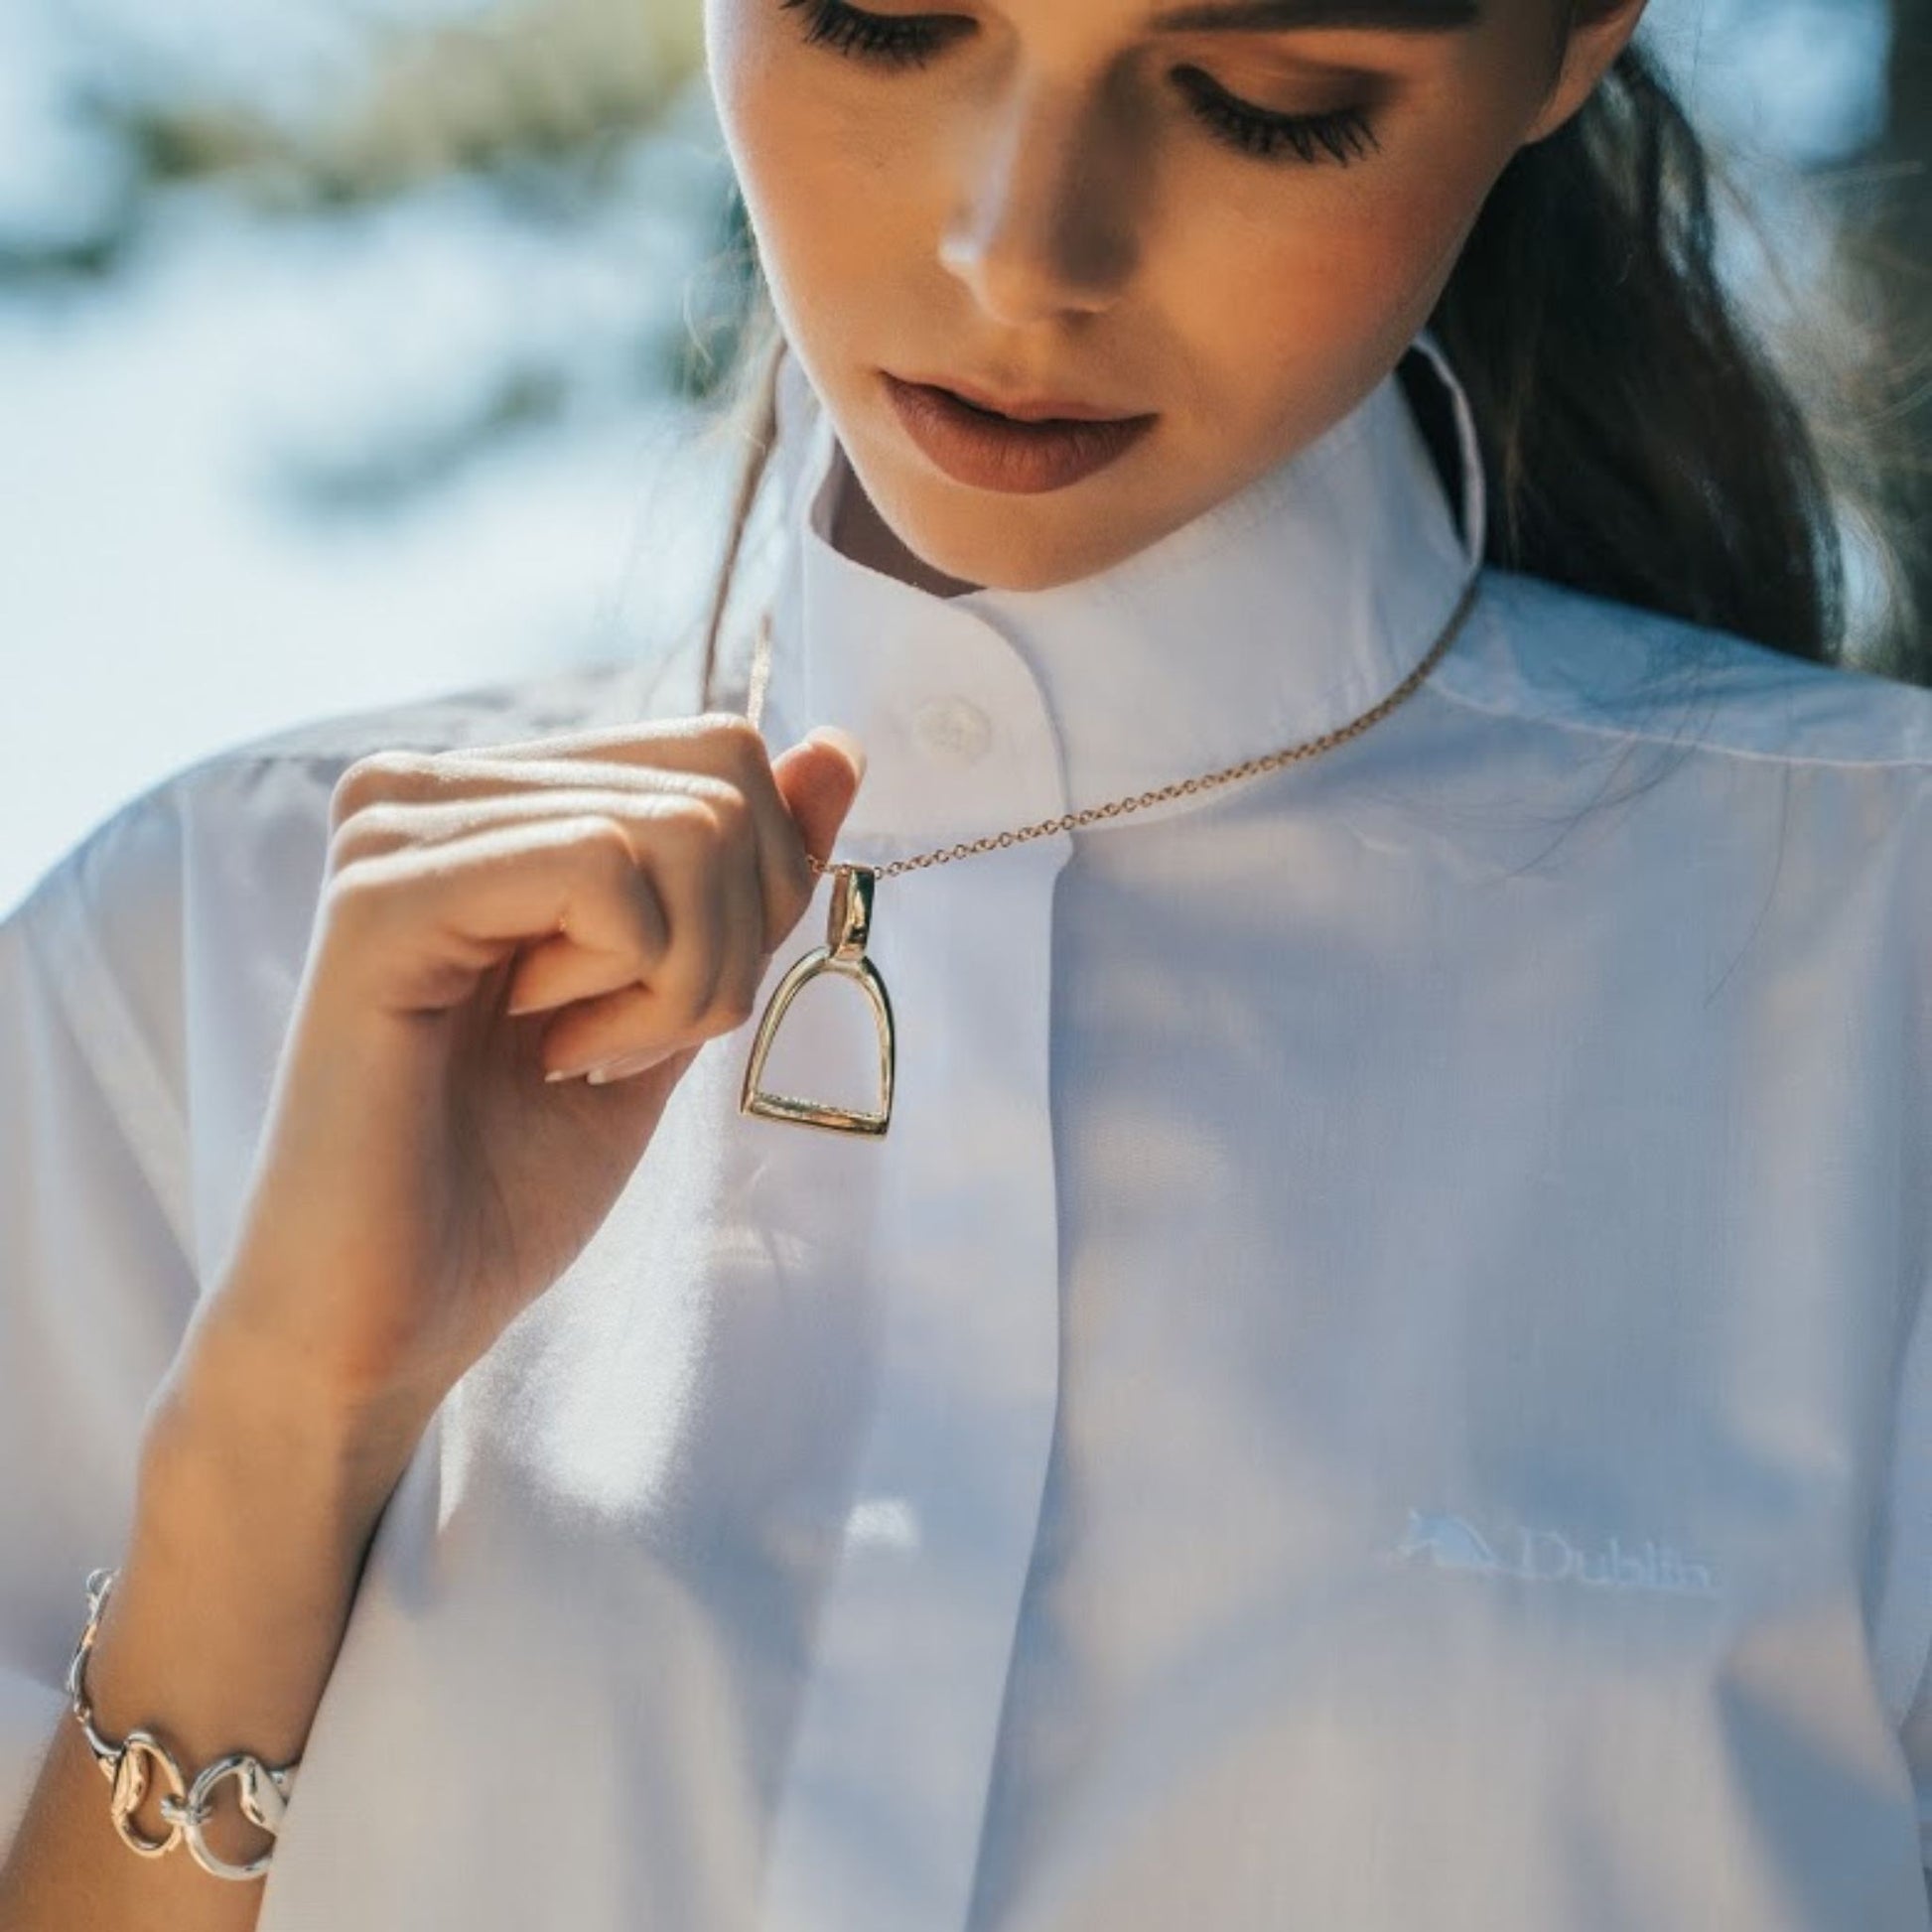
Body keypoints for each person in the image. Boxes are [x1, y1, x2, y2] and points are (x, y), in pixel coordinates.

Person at [0, 0, 1927, 1924]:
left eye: (1270, 102)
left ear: (1578, 36)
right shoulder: (188, 962)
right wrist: (275, 1428)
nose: (1017, 255)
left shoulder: (1876, 965)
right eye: (883, 19)